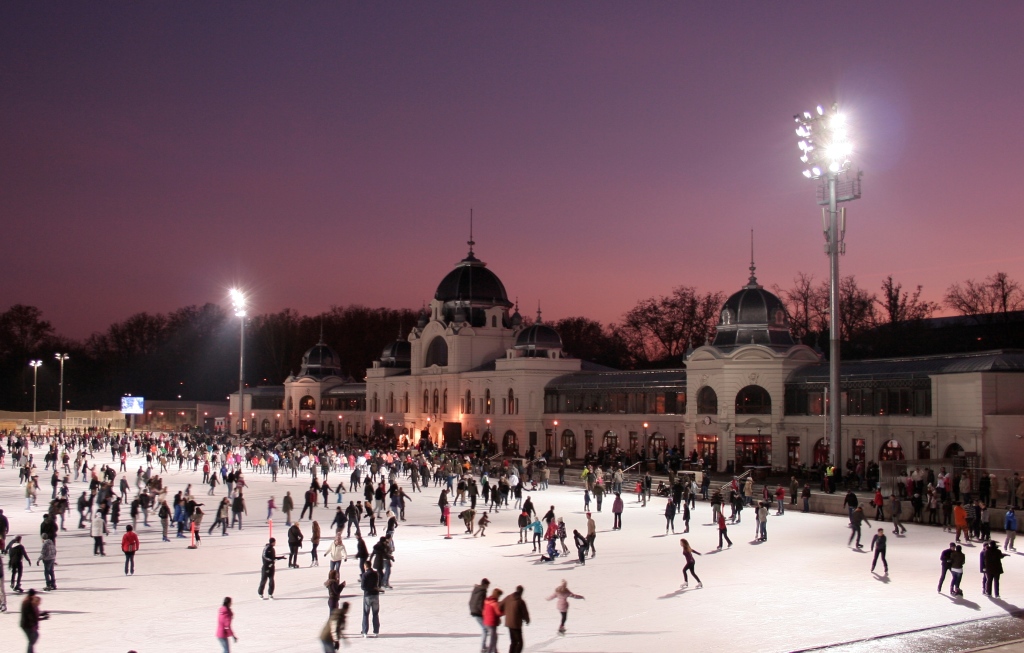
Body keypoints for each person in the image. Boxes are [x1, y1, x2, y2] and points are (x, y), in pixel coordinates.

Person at [500, 585, 530, 653]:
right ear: (522, 592)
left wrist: (507, 611)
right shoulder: (520, 601)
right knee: (520, 643)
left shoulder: (508, 597)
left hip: (509, 623)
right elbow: (524, 612)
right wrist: (527, 620)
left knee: (513, 642)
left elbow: (500, 606)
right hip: (516, 624)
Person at [20, 588, 49, 653]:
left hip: (28, 624)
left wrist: (42, 614)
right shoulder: (28, 603)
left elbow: (34, 614)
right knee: (32, 639)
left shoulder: (30, 601)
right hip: (27, 625)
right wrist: (42, 618)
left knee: (33, 638)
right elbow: (32, 616)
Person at [469, 578, 491, 652]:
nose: (488, 587)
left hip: (474, 611)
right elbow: (481, 604)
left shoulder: (476, 590)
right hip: (478, 612)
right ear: (485, 585)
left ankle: (484, 646)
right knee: (485, 629)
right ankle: (483, 647)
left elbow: (471, 601)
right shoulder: (482, 591)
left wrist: (472, 609)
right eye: (488, 585)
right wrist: (484, 613)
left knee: (485, 629)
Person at [360, 562, 381, 637]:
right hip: (375, 595)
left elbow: (363, 587)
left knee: (366, 614)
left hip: (368, 596)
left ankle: (365, 631)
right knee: (375, 614)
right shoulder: (376, 573)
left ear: (365, 566)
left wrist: (369, 588)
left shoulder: (365, 575)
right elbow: (378, 583)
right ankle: (376, 631)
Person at [482, 588, 504, 653]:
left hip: (486, 622)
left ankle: (495, 651)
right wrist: (505, 612)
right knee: (493, 640)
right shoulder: (494, 603)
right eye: (499, 596)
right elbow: (498, 613)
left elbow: (484, 611)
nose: (499, 597)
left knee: (494, 638)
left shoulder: (486, 600)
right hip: (492, 623)